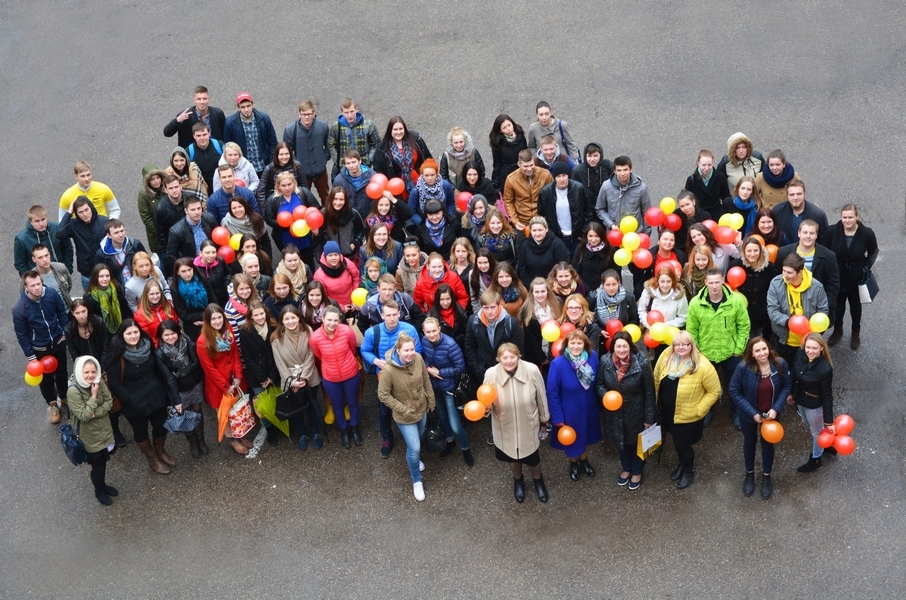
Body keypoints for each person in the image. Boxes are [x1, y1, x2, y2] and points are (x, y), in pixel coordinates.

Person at [105, 320, 179, 474]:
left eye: (135, 332)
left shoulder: (147, 345)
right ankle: (152, 459)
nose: (133, 336)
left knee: (161, 425)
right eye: (129, 333)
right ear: (122, 335)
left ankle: (160, 451)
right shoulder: (117, 354)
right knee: (141, 431)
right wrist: (131, 400)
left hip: (155, 396)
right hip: (133, 401)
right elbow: (115, 384)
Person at [653, 331, 721, 489]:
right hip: (668, 413)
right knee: (677, 443)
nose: (680, 347)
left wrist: (700, 409)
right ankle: (681, 465)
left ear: (692, 345)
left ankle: (689, 470)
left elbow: (715, 391)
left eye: (685, 344)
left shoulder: (702, 365)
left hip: (687, 417)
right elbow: (656, 376)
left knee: (683, 446)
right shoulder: (666, 357)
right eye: (677, 344)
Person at [484, 342, 550, 503]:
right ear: (499, 359)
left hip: (528, 423)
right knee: (512, 457)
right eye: (504, 358)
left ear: (518, 356)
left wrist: (544, 419)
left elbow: (541, 396)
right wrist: (485, 410)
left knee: (533, 459)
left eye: (512, 357)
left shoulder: (532, 370)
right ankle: (518, 481)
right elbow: (486, 400)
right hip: (504, 425)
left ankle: (538, 481)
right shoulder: (491, 374)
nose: (509, 361)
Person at [686, 267, 750, 429]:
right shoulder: (695, 303)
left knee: (735, 387)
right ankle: (709, 410)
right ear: (706, 283)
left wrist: (739, 349)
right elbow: (692, 330)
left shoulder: (735, 301)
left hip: (731, 353)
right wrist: (697, 352)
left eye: (717, 282)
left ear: (723, 281)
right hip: (705, 354)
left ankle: (737, 413)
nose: (714, 286)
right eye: (711, 283)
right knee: (707, 387)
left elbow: (744, 326)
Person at [729, 337, 792, 499]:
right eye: (757, 350)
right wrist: (753, 413)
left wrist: (776, 409)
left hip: (771, 415)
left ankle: (766, 476)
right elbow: (734, 391)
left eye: (764, 349)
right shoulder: (743, 368)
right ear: (752, 353)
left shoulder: (780, 364)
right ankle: (749, 474)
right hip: (750, 415)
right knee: (749, 442)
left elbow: (786, 386)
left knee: (767, 445)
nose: (762, 353)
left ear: (769, 349)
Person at [361, 300, 423, 458]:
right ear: (382, 315)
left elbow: (419, 351)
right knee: (384, 409)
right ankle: (387, 438)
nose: (392, 318)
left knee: (412, 404)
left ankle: (413, 437)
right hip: (384, 376)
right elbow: (365, 350)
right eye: (388, 315)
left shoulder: (409, 329)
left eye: (395, 314)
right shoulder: (372, 333)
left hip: (406, 376)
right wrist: (375, 360)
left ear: (400, 314)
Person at [377, 333, 435, 501]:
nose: (410, 353)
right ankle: (417, 480)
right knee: (415, 447)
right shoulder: (388, 370)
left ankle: (415, 460)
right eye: (406, 350)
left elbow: (425, 379)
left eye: (412, 349)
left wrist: (431, 400)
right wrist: (402, 408)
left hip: (421, 408)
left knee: (419, 437)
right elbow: (383, 395)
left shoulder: (418, 358)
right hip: (404, 415)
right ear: (398, 350)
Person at [596, 331, 656, 490]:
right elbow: (599, 385)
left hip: (635, 410)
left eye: (624, 346)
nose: (621, 350)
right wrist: (607, 395)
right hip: (614, 411)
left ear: (630, 346)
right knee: (621, 441)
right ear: (612, 347)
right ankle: (626, 468)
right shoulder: (605, 361)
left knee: (636, 442)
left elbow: (649, 392)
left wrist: (649, 418)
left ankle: (637, 471)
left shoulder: (641, 363)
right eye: (618, 346)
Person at [13, 271, 70, 424]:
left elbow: (62, 313)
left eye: (39, 283)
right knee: (45, 380)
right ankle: (52, 404)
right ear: (26, 287)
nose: (38, 288)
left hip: (58, 342)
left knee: (62, 372)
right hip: (40, 350)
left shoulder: (51, 293)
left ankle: (64, 397)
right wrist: (30, 355)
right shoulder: (20, 308)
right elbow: (22, 334)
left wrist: (64, 332)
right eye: (33, 285)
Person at [547, 330, 601, 481]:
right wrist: (557, 417)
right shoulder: (557, 363)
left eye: (579, 343)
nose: (576, 346)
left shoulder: (592, 357)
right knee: (572, 440)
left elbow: (597, 382)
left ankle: (584, 460)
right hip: (569, 411)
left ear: (585, 344)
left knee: (587, 436)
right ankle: (573, 463)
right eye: (573, 343)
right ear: (566, 345)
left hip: (589, 407)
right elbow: (552, 392)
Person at [196, 304, 250, 455]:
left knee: (238, 411)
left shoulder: (228, 330)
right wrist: (226, 386)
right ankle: (233, 440)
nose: (218, 321)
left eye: (220, 317)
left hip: (234, 378)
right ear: (207, 321)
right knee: (226, 414)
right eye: (214, 319)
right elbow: (209, 369)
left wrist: (238, 376)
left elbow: (234, 354)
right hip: (219, 385)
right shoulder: (202, 342)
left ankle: (240, 435)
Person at [822, 205, 878, 349]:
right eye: (844, 217)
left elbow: (873, 251)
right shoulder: (832, 231)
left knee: (855, 307)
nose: (847, 220)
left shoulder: (866, 233)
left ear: (857, 217)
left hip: (856, 276)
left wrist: (866, 266)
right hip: (837, 275)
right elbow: (824, 250)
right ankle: (838, 330)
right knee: (837, 306)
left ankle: (855, 332)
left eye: (850, 217)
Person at [270, 305, 324, 451]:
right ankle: (302, 434)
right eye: (286, 319)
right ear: (282, 320)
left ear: (298, 317)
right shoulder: (276, 338)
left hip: (309, 375)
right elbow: (280, 364)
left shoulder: (308, 331)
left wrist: (304, 378)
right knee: (296, 409)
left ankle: (315, 432)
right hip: (290, 379)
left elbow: (311, 355)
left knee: (313, 405)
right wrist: (293, 381)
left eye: (293, 317)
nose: (290, 321)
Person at [421, 318, 473, 466]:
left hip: (449, 388)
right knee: (442, 417)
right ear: (424, 332)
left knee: (456, 425)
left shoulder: (450, 345)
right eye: (428, 332)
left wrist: (440, 372)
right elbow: (422, 358)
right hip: (434, 387)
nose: (431, 335)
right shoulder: (424, 341)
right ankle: (450, 442)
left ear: (439, 329)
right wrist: (428, 368)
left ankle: (466, 448)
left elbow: (460, 367)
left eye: (434, 331)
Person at [67, 356, 118, 505]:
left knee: (103, 461)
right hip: (89, 435)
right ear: (79, 372)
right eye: (86, 372)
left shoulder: (98, 380)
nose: (90, 375)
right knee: (97, 465)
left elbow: (109, 401)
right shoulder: (73, 391)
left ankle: (103, 485)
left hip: (103, 429)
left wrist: (97, 413)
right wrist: (94, 396)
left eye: (93, 371)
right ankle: (99, 490)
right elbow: (84, 416)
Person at [310, 305, 363, 448]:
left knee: (353, 402)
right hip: (331, 378)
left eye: (335, 320)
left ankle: (354, 427)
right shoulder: (315, 338)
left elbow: (352, 349)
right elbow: (318, 355)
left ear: (339, 320)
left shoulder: (347, 331)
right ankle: (344, 430)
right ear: (322, 319)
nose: (332, 323)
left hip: (351, 374)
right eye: (329, 320)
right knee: (337, 405)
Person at [155, 319, 207, 458]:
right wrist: (176, 399)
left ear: (178, 332)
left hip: (194, 383)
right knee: (184, 414)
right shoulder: (160, 353)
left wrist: (181, 372)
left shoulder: (186, 340)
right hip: (178, 389)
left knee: (197, 411)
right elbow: (168, 377)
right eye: (166, 335)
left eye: (173, 333)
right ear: (161, 337)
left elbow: (196, 361)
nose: (170, 337)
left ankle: (201, 439)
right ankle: (192, 441)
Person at [766, 254, 829, 366]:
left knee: (804, 370)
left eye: (789, 273)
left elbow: (823, 310)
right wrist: (789, 322)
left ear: (800, 272)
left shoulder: (817, 287)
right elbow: (772, 310)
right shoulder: (775, 284)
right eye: (783, 271)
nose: (785, 275)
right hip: (783, 338)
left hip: (807, 342)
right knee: (783, 368)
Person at [465, 290, 525, 402]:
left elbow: (519, 349)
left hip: (506, 368)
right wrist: (478, 369)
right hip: (483, 369)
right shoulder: (473, 321)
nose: (489, 311)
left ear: (499, 306)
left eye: (492, 307)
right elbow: (469, 346)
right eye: (486, 308)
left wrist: (510, 367)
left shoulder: (511, 322)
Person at [790, 332, 836, 473]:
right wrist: (791, 393)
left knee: (817, 432)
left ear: (821, 348)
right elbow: (794, 375)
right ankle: (826, 445)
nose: (810, 351)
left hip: (814, 405)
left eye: (814, 348)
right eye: (808, 347)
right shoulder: (800, 354)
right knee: (807, 423)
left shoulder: (825, 369)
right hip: (800, 400)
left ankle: (816, 459)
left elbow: (827, 395)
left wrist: (829, 422)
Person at [776, 219, 840, 319]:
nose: (808, 236)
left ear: (816, 235)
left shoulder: (829, 256)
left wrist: (826, 306)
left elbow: (833, 284)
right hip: (788, 306)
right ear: (799, 233)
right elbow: (777, 280)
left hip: (815, 308)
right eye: (805, 232)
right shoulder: (783, 253)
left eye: (812, 233)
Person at [731, 237, 780, 341]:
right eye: (749, 251)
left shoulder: (769, 268)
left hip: (761, 317)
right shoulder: (735, 266)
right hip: (741, 316)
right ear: (744, 251)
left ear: (760, 251)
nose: (752, 254)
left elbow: (774, 292)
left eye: (755, 250)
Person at [538, 161, 592, 254]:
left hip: (576, 236)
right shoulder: (546, 192)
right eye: (558, 176)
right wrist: (550, 234)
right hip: (557, 237)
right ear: (554, 177)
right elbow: (542, 215)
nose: (561, 179)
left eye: (564, 175)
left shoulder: (578, 188)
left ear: (568, 175)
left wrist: (582, 233)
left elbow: (588, 212)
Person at [637, 266, 689, 362]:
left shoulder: (679, 296)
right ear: (658, 281)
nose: (665, 285)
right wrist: (648, 324)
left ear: (673, 281)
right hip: (651, 333)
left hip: (669, 334)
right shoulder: (649, 292)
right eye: (662, 281)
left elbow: (683, 317)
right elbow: (641, 310)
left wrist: (665, 326)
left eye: (668, 281)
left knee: (669, 361)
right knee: (654, 361)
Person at [264, 171, 318, 262]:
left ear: (294, 183)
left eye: (289, 184)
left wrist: (309, 222)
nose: (287, 188)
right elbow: (269, 219)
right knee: (291, 264)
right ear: (279, 186)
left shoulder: (302, 192)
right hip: (286, 239)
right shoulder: (272, 200)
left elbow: (315, 208)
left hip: (305, 237)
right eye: (283, 185)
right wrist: (287, 224)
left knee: (308, 262)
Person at [282, 99, 330, 200]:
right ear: (299, 114)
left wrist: (323, 159)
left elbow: (329, 145)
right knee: (302, 198)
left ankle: (328, 215)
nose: (307, 117)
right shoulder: (290, 130)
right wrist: (296, 165)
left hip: (320, 171)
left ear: (314, 113)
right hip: (302, 173)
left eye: (309, 114)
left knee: (326, 197)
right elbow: (287, 152)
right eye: (304, 114)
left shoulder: (323, 126)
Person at [57, 196, 109, 290]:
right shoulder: (73, 225)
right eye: (80, 212)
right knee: (89, 302)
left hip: (105, 270)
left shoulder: (104, 221)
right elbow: (60, 233)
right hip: (87, 272)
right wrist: (69, 213)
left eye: (86, 210)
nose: (85, 214)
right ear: (76, 213)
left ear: (91, 208)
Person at [371, 116, 433, 194]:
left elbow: (428, 159)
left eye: (401, 129)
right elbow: (378, 171)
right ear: (390, 130)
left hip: (420, 181)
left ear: (405, 129)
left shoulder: (416, 139)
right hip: (397, 187)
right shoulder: (382, 149)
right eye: (395, 129)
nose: (398, 132)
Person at [223, 92, 277, 176]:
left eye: (248, 106)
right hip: (243, 168)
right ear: (238, 108)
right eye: (243, 107)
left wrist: (271, 162)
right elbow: (227, 146)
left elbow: (272, 142)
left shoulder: (264, 119)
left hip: (263, 166)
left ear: (253, 105)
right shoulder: (230, 123)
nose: (246, 110)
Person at [595, 155, 652, 235]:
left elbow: (647, 213)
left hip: (635, 236)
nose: (622, 174)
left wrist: (646, 234)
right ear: (614, 171)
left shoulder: (641, 188)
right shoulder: (606, 187)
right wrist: (610, 225)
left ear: (631, 169)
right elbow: (600, 209)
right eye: (619, 170)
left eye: (625, 170)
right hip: (614, 236)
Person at [327, 98, 382, 179]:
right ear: (341, 112)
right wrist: (338, 160)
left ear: (356, 109)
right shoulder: (336, 127)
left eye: (352, 111)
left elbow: (377, 143)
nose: (350, 115)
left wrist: (369, 159)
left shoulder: (368, 125)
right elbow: (331, 144)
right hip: (344, 167)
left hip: (363, 167)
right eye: (346, 112)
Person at [587, 270, 639, 352]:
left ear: (619, 283)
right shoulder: (593, 298)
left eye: (614, 284)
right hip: (601, 340)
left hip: (622, 341)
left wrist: (622, 332)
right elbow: (588, 318)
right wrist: (600, 330)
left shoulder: (628, 298)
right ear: (602, 285)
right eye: (608, 285)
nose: (611, 288)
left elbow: (634, 319)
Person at [165, 196, 217, 276]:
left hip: (212, 261)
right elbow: (171, 256)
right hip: (193, 267)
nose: (197, 212)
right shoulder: (176, 230)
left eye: (199, 208)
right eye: (193, 210)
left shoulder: (209, 218)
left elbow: (217, 239)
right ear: (186, 211)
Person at [163, 85, 226, 151]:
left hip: (214, 153)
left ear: (208, 99)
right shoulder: (185, 116)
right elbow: (167, 133)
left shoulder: (218, 114)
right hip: (192, 155)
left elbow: (225, 134)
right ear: (194, 100)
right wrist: (177, 121)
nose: (202, 102)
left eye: (204, 99)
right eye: (199, 99)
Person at [15, 205, 73, 276]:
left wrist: (68, 269)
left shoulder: (57, 228)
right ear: (31, 221)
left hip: (59, 273)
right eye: (37, 221)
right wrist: (30, 279)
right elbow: (20, 263)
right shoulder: (22, 239)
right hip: (38, 279)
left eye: (43, 219)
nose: (41, 224)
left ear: (46, 217)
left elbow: (67, 248)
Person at [503, 150, 553, 232]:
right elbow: (508, 201)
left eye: (531, 165)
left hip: (542, 221)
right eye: (525, 166)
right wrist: (515, 221)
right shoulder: (511, 179)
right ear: (519, 164)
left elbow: (552, 197)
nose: (529, 169)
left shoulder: (545, 175)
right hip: (522, 223)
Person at [628, 228, 686, 299]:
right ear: (658, 241)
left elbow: (685, 277)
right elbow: (635, 271)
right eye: (665, 239)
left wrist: (679, 279)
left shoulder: (680, 256)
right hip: (653, 292)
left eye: (671, 240)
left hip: (672, 292)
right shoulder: (649, 254)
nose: (668, 242)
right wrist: (633, 259)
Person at [518, 278, 562, 367]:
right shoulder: (527, 309)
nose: (540, 295)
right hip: (535, 354)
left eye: (543, 291)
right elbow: (531, 338)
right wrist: (542, 358)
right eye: (537, 292)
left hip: (554, 350)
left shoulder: (557, 303)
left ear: (547, 291)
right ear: (532, 293)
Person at [358, 274, 425, 332]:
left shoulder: (405, 299)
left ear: (395, 289)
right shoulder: (369, 306)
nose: (387, 293)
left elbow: (420, 317)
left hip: (404, 339)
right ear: (378, 288)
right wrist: (373, 338)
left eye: (390, 289)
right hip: (382, 341)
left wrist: (411, 333)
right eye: (384, 289)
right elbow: (362, 325)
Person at [516, 216, 569, 287]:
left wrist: (552, 286)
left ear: (546, 229)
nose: (537, 234)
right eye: (534, 230)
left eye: (540, 230)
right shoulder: (525, 246)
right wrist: (531, 287)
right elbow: (522, 270)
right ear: (530, 231)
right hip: (532, 287)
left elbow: (563, 266)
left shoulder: (557, 244)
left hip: (554, 287)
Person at [317, 186, 367, 260]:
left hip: (349, 255)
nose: (338, 202)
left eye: (341, 199)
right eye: (335, 199)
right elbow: (319, 236)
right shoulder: (324, 214)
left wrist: (354, 243)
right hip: (331, 257)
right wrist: (316, 234)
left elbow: (361, 230)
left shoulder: (353, 214)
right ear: (331, 199)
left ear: (345, 200)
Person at [171, 257, 214, 341]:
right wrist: (206, 314)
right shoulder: (175, 289)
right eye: (183, 271)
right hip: (193, 324)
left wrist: (209, 316)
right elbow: (183, 315)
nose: (188, 273)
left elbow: (213, 299)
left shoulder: (202, 279)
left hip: (210, 318)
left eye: (189, 270)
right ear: (178, 272)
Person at [95, 219, 147, 288]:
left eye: (122, 231)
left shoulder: (135, 245)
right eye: (116, 233)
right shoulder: (101, 254)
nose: (121, 235)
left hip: (138, 286)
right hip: (118, 291)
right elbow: (100, 275)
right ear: (109, 235)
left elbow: (147, 262)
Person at [84, 264, 133, 335]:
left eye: (107, 276)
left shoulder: (115, 286)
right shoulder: (89, 298)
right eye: (101, 276)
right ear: (95, 277)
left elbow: (124, 306)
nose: (105, 279)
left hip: (121, 326)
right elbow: (93, 320)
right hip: (103, 332)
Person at [313, 241, 360, 313]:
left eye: (336, 255)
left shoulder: (346, 263)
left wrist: (355, 299)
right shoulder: (319, 275)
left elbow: (356, 278)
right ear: (325, 257)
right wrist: (341, 308)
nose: (333, 258)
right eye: (330, 255)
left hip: (353, 304)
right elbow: (324, 296)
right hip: (335, 308)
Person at [154, 175, 192, 263]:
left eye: (176, 187)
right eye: (171, 188)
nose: (174, 190)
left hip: (192, 242)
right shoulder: (160, 209)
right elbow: (160, 234)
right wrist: (170, 251)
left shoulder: (190, 199)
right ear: (165, 190)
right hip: (176, 248)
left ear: (180, 186)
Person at [257, 142, 306, 208]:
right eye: (281, 154)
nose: (284, 157)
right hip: (277, 203)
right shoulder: (269, 168)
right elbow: (261, 192)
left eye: (287, 154)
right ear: (276, 155)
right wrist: (265, 211)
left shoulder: (297, 166)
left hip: (296, 201)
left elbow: (304, 187)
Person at [684, 150, 731, 220]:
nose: (706, 168)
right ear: (698, 163)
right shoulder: (691, 180)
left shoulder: (720, 177)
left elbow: (726, 197)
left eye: (709, 165)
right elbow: (687, 200)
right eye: (703, 165)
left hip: (716, 215)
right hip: (699, 216)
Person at [488, 114, 528, 195]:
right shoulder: (497, 143)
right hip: (506, 175)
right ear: (500, 130)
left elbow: (526, 154)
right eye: (504, 127)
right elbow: (497, 165)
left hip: (522, 171)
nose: (508, 129)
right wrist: (496, 186)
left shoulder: (520, 135)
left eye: (509, 125)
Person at [332, 150, 378, 217]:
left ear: (360, 161)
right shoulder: (338, 181)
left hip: (369, 217)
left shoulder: (373, 177)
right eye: (348, 163)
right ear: (345, 164)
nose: (351, 166)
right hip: (349, 218)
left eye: (353, 162)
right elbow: (334, 200)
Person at [572, 222, 613, 293]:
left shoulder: (609, 249)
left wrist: (604, 287)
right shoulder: (580, 249)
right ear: (586, 236)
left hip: (606, 289)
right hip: (585, 289)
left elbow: (614, 271)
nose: (593, 239)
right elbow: (575, 272)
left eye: (596, 236)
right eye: (590, 236)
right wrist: (589, 290)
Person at [133, 280, 176, 346]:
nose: (155, 297)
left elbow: (175, 323)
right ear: (146, 295)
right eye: (151, 294)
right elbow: (147, 336)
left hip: (174, 341)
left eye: (157, 293)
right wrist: (160, 346)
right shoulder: (140, 315)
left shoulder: (168, 305)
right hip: (158, 347)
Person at [29, 244, 73, 308]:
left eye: (46, 255)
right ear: (34, 259)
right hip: (47, 316)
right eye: (40, 257)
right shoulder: (30, 277)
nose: (45, 260)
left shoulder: (61, 268)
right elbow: (26, 297)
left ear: (49, 254)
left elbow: (68, 285)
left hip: (66, 312)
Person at [426, 283, 469, 350]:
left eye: (448, 299)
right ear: (437, 300)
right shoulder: (431, 316)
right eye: (442, 299)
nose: (445, 302)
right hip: (442, 350)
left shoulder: (460, 311)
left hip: (460, 347)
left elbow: (466, 332)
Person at [186, 123, 225, 193]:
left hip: (221, 187)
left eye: (204, 134)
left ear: (209, 133)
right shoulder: (189, 151)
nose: (202, 138)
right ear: (193, 136)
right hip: (201, 189)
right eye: (198, 135)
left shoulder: (219, 145)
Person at [571, 143, 612, 208]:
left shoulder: (608, 166)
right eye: (589, 156)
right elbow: (574, 194)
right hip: (587, 211)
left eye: (595, 156)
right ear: (585, 156)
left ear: (600, 156)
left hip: (605, 209)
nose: (592, 159)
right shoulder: (577, 171)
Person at [193, 240, 230, 307]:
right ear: (200, 253)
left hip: (224, 299)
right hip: (208, 303)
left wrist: (226, 284)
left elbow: (228, 273)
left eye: (213, 252)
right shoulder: (195, 268)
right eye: (207, 253)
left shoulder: (220, 261)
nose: (211, 255)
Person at [469, 248, 498, 314]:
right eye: (480, 263)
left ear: (490, 261)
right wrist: (478, 314)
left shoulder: (498, 272)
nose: (483, 266)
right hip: (482, 311)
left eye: (485, 262)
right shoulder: (472, 274)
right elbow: (474, 298)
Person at [449, 237, 476, 303]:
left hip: (469, 302)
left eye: (463, 251)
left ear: (468, 252)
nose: (460, 254)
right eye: (458, 251)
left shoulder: (474, 267)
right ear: (454, 251)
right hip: (452, 302)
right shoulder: (449, 266)